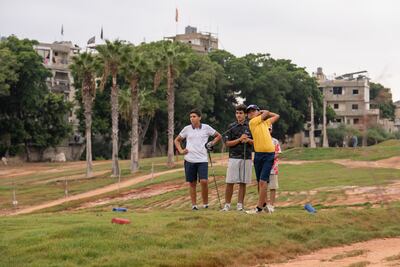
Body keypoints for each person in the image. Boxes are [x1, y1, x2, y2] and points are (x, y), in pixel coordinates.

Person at [174, 109, 222, 210]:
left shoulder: (206, 128)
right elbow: (177, 140)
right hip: (189, 160)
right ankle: (194, 205)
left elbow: (218, 136)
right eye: (190, 117)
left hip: (202, 160)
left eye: (194, 116)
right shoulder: (186, 129)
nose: (192, 118)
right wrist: (181, 150)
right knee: (192, 183)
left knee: (204, 181)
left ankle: (205, 204)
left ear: (199, 117)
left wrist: (211, 143)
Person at [245, 104, 280, 214]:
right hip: (258, 154)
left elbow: (277, 116)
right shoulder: (252, 122)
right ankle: (264, 204)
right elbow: (267, 113)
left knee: (263, 181)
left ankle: (259, 208)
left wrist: (265, 111)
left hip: (269, 154)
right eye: (249, 112)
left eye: (253, 111)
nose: (250, 113)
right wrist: (263, 112)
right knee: (260, 181)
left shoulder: (266, 122)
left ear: (258, 111)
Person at [221, 104, 253, 211]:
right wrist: (239, 140)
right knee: (230, 181)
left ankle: (240, 205)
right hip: (234, 157)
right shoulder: (231, 126)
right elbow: (227, 143)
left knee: (243, 182)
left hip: (246, 157)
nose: (238, 115)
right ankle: (227, 205)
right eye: (237, 113)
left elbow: (256, 141)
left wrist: (248, 140)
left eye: (241, 113)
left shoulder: (251, 126)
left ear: (245, 114)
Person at [265, 125, 282, 213]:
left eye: (269, 129)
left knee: (273, 187)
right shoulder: (261, 141)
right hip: (263, 167)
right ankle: (265, 205)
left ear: (271, 130)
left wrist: (270, 158)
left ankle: (271, 205)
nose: (268, 131)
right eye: (266, 129)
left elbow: (278, 153)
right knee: (263, 187)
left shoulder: (275, 141)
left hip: (273, 168)